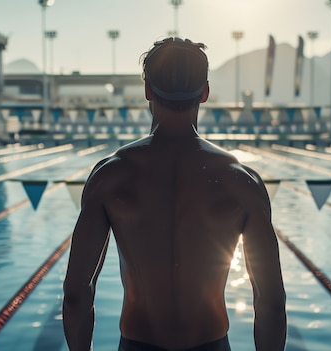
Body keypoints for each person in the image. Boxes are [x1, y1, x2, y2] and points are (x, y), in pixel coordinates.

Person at [63, 37, 287, 351]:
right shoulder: (241, 181)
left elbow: (76, 293)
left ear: (147, 90)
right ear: (205, 92)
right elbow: (271, 301)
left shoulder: (111, 176)